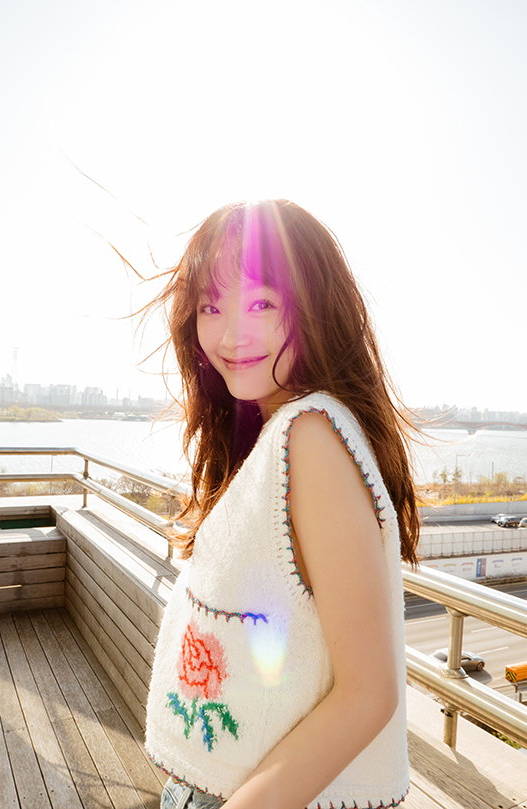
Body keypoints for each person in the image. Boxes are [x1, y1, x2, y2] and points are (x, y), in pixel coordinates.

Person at [145, 199, 419, 809]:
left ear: (315, 305)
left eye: (261, 304)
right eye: (210, 307)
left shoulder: (310, 436)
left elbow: (369, 694)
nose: (229, 335)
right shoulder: (281, 432)